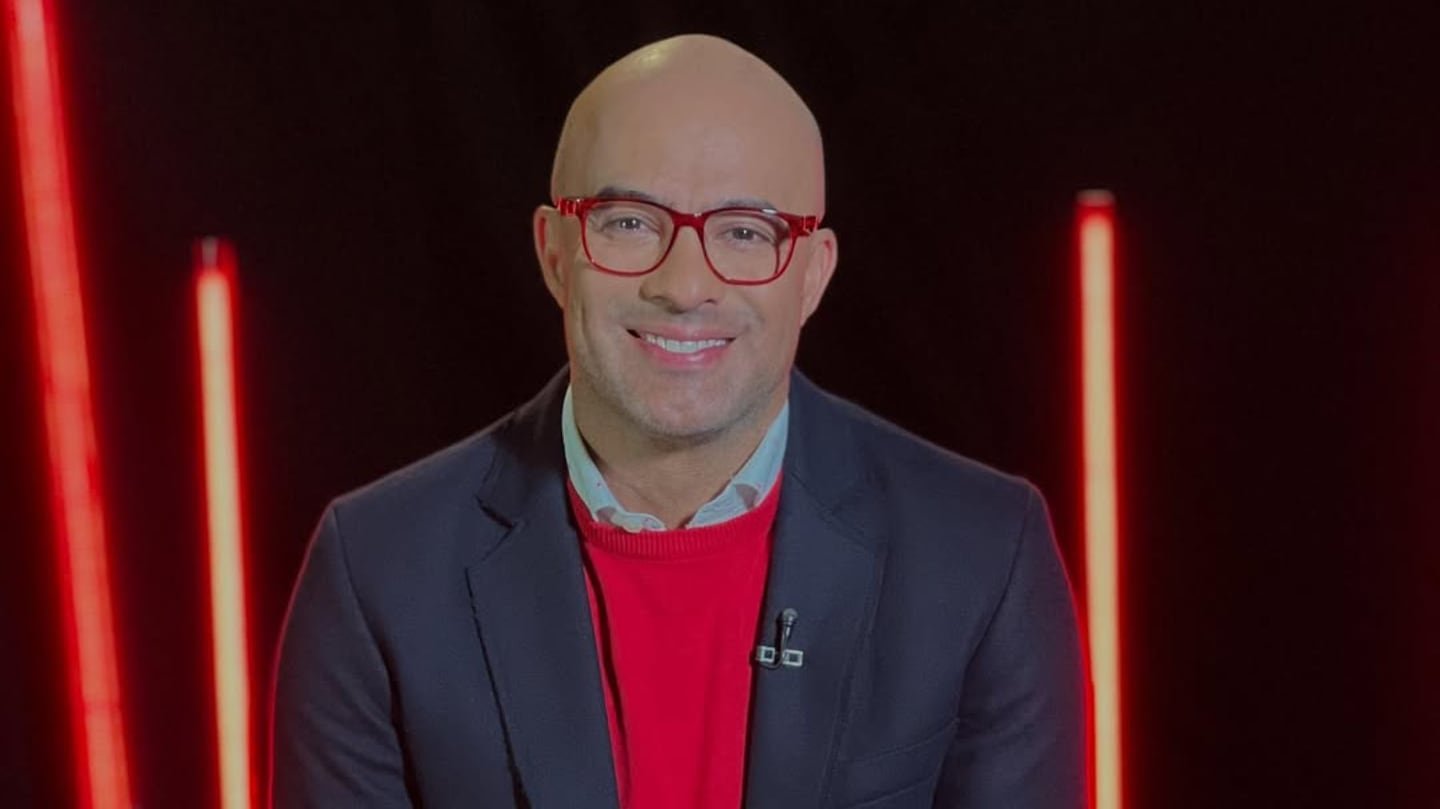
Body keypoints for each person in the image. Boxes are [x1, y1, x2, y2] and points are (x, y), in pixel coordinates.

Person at [271, 33, 1085, 809]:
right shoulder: (377, 574)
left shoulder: (982, 557)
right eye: (629, 221)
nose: (686, 284)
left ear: (812, 275)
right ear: (555, 252)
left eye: (745, 232)